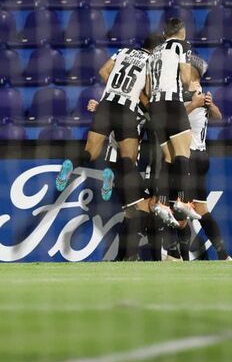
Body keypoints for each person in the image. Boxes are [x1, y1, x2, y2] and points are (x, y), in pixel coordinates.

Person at [55, 35, 176, 226]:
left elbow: (103, 72)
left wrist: (116, 90)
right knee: (128, 158)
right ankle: (140, 201)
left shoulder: (124, 51)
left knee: (91, 152)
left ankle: (70, 163)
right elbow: (148, 94)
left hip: (105, 105)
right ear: (156, 50)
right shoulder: (152, 61)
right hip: (126, 110)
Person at [177, 54, 232, 261]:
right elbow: (218, 116)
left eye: (184, 67)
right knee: (201, 209)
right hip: (201, 157)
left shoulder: (192, 93)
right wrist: (206, 104)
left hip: (190, 157)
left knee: (181, 211)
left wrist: (204, 104)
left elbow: (175, 118)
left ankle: (181, 259)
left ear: (192, 71)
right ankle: (224, 255)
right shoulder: (199, 93)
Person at [147, 18, 199, 222]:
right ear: (181, 30)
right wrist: (190, 88)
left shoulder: (155, 51)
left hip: (155, 106)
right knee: (183, 149)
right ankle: (183, 200)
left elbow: (150, 88)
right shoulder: (180, 45)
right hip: (171, 102)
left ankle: (161, 202)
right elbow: (186, 78)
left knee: (168, 157)